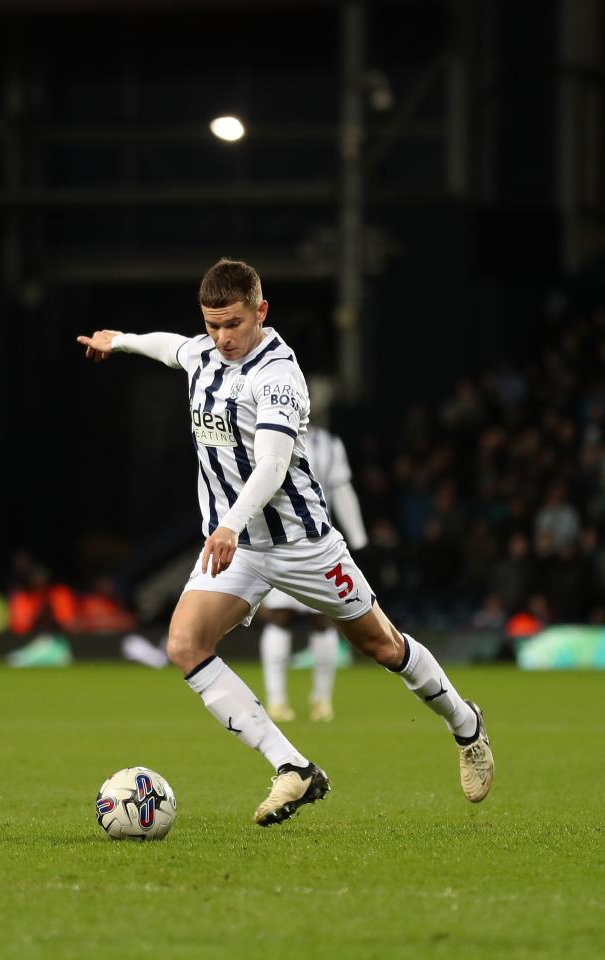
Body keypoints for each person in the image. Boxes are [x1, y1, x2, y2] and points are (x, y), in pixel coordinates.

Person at [77, 258, 493, 826]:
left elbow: (272, 465)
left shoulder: (277, 375)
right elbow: (170, 346)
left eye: (233, 324)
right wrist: (119, 341)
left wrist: (228, 522)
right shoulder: (202, 352)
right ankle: (293, 767)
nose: (222, 338)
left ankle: (465, 725)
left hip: (301, 544)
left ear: (261, 312)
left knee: (382, 646)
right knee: (184, 645)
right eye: (213, 324)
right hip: (240, 549)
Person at [257, 425, 368, 723]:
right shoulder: (264, 433)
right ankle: (277, 701)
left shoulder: (329, 443)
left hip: (318, 542)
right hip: (275, 539)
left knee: (324, 620)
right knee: (280, 615)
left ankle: (322, 700)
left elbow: (342, 490)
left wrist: (358, 540)